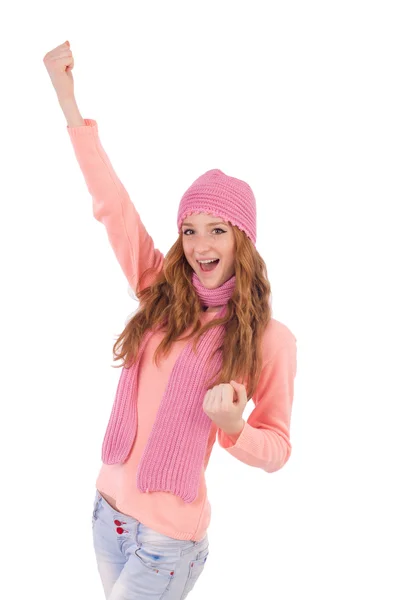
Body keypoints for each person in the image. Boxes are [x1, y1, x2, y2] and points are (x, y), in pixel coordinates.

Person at [43, 41, 298, 600]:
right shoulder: (160, 292)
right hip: (105, 515)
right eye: (189, 230)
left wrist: (235, 430)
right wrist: (68, 101)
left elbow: (277, 447)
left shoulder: (266, 339)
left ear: (243, 241)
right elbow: (113, 204)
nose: (200, 245)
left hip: (167, 542)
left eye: (218, 230)